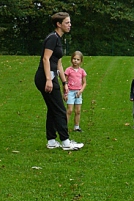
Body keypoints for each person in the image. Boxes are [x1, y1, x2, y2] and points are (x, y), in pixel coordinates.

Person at [34, 12, 84, 150]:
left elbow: (59, 64)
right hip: (45, 77)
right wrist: (49, 80)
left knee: (53, 109)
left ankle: (51, 141)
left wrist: (64, 83)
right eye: (67, 23)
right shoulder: (52, 38)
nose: (70, 25)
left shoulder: (58, 39)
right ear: (59, 24)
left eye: (69, 22)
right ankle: (66, 142)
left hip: (51, 76)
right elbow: (46, 59)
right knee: (60, 110)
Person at [64, 51, 87, 132]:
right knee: (69, 110)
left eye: (78, 59)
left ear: (81, 61)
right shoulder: (68, 70)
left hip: (78, 92)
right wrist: (65, 93)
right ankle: (64, 127)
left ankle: (76, 126)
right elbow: (65, 82)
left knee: (78, 111)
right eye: (74, 59)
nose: (75, 61)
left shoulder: (82, 71)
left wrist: (80, 91)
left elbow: (84, 83)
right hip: (70, 92)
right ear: (71, 59)